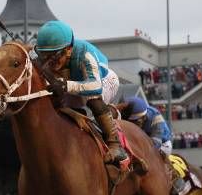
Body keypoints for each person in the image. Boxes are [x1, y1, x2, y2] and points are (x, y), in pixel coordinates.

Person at [35, 20, 137, 169]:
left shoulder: (85, 54)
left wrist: (64, 85)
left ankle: (115, 145)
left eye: (54, 55)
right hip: (75, 85)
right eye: (43, 55)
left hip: (103, 80)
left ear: (69, 49)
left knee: (92, 99)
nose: (49, 61)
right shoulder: (51, 57)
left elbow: (95, 86)